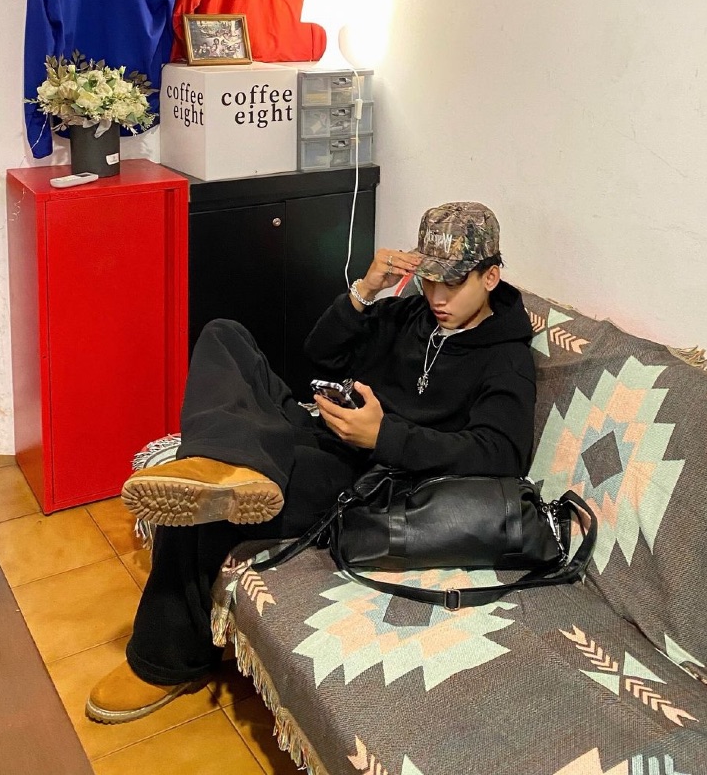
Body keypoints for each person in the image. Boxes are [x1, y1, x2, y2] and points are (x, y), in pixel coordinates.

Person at [85, 201, 536, 724]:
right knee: (225, 334)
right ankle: (219, 463)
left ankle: (162, 662)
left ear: (490, 276)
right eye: (429, 280)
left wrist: (384, 436)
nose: (437, 297)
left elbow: (502, 453)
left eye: (452, 284)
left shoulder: (506, 357)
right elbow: (320, 352)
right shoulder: (411, 314)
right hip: (327, 432)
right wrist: (364, 292)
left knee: (203, 513)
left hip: (371, 480)